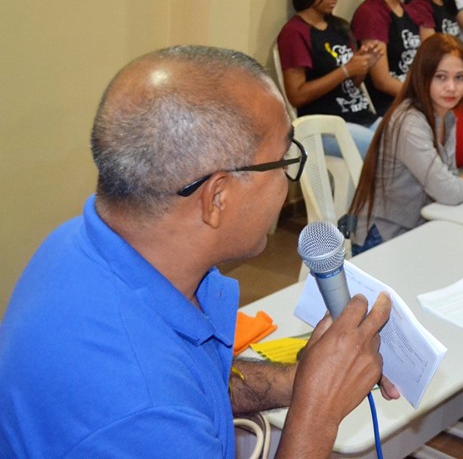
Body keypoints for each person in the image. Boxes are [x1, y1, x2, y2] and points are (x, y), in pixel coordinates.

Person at [0, 46, 396, 458]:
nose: (287, 180)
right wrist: (316, 415)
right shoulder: (143, 408)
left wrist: (303, 380)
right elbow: (163, 408)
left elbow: (192, 386)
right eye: (283, 159)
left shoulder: (77, 242)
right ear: (217, 197)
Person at [349, 34, 463, 251]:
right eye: (441, 77)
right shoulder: (409, 122)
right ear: (423, 77)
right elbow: (450, 191)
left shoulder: (445, 114)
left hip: (417, 226)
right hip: (383, 237)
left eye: (459, 78)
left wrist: (460, 182)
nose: (451, 87)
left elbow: (448, 177)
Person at [277, 0, 383, 157]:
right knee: (382, 151)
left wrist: (363, 64)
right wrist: (344, 71)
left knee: (406, 140)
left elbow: (352, 84)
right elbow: (297, 95)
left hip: (360, 116)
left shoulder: (339, 27)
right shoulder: (295, 32)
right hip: (325, 126)